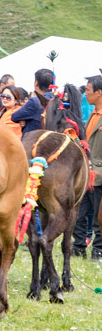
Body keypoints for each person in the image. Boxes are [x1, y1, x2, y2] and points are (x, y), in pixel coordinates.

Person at [72, 76, 102, 261]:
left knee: (99, 217)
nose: (85, 94)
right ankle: (78, 247)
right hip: (86, 172)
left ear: (99, 93)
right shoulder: (92, 113)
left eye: (88, 90)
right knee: (79, 214)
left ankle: (98, 251)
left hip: (99, 174)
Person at [10, 69, 55, 134]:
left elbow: (14, 116)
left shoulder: (35, 101)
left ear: (36, 83)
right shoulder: (58, 101)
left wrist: (24, 119)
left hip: (33, 140)